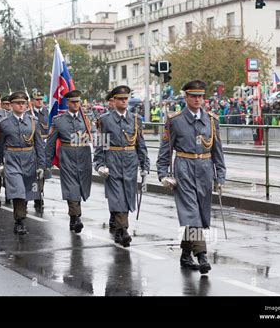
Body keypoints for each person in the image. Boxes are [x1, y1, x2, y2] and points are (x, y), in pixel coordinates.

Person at [156, 79, 226, 275]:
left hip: (204, 169)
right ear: (186, 97)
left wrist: (220, 176)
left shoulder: (212, 120)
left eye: (200, 96)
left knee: (202, 215)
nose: (197, 99)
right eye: (193, 96)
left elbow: (217, 152)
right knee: (191, 213)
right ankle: (201, 254)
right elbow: (165, 151)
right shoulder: (175, 120)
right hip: (184, 169)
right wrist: (162, 174)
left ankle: (186, 254)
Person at [94, 85, 150, 247]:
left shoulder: (135, 120)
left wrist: (144, 166)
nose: (124, 101)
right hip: (113, 161)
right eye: (120, 99)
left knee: (127, 196)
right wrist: (99, 164)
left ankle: (119, 229)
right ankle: (124, 229)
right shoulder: (105, 120)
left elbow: (141, 145)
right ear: (114, 100)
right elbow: (101, 145)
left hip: (130, 162)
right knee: (117, 196)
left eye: (126, 98)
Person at [0, 91, 46, 235]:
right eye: (18, 103)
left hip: (29, 159)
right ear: (11, 105)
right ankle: (20, 221)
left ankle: (21, 214)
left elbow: (39, 144)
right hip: (12, 159)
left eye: (23, 103)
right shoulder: (3, 123)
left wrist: (42, 165)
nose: (21, 105)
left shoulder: (33, 121)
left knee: (27, 191)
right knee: (18, 190)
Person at [45, 90, 93, 233]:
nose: (76, 104)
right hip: (67, 156)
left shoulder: (86, 119)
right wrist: (46, 164)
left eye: (78, 102)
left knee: (81, 186)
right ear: (67, 103)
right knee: (71, 187)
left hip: (84, 156)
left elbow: (96, 137)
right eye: (73, 102)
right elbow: (50, 143)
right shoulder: (58, 120)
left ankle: (73, 215)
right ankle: (77, 217)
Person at [29, 90, 49, 212]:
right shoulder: (28, 114)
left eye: (41, 99)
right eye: (37, 99)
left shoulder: (47, 113)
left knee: (42, 172)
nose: (39, 101)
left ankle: (39, 196)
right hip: (32, 148)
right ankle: (33, 195)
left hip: (44, 147)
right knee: (31, 173)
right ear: (32, 101)